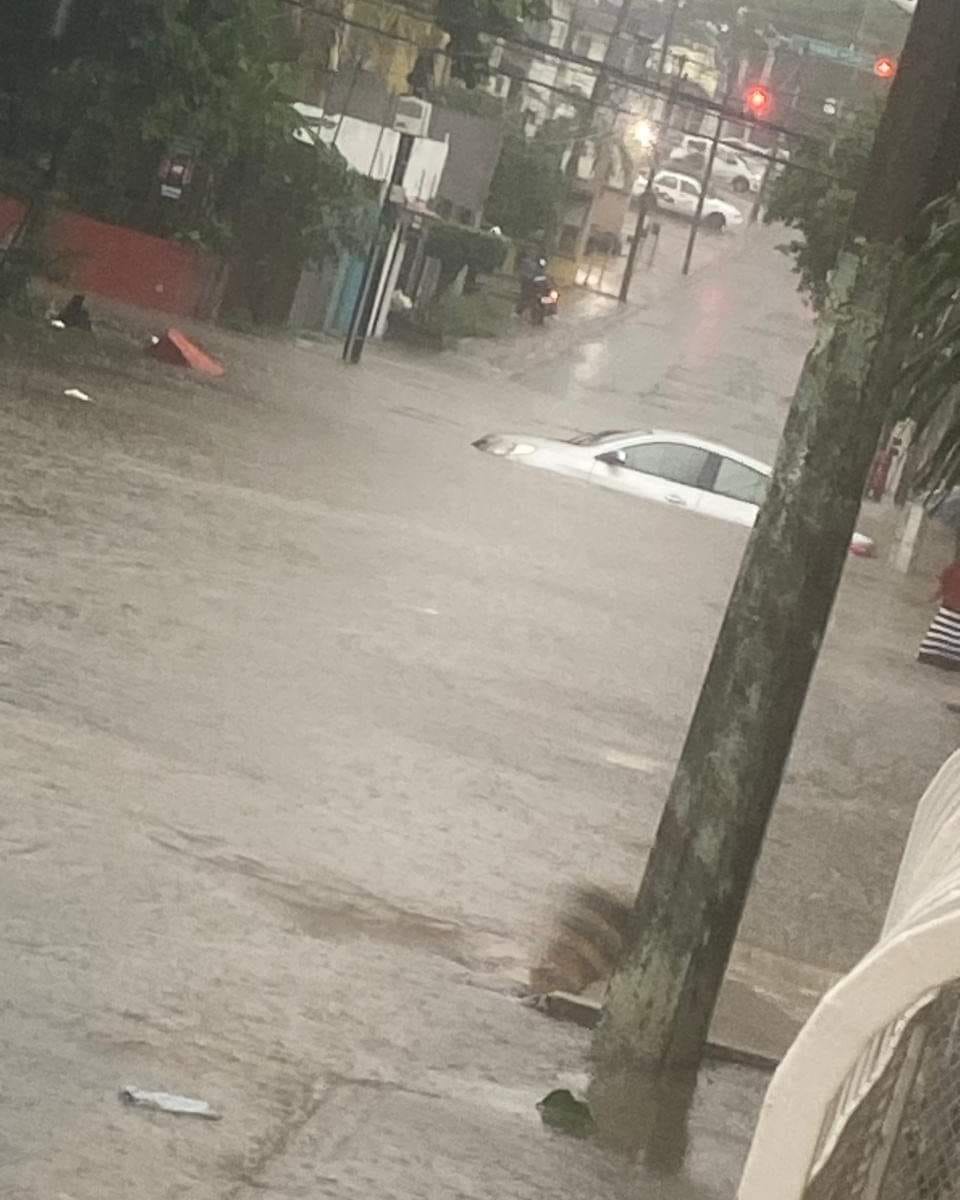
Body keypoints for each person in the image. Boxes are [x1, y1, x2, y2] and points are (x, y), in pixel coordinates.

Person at [918, 559, 960, 672]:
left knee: (927, 661)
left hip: (943, 621)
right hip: (949, 626)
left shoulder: (953, 568)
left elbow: (936, 592)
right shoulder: (953, 569)